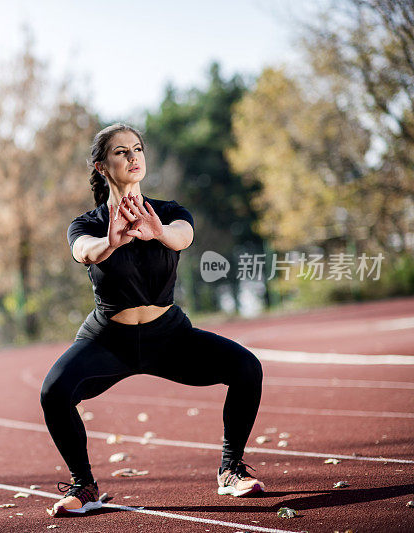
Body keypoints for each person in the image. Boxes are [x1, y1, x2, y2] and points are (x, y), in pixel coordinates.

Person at [40, 123, 264, 517]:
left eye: (137, 149)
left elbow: (183, 237)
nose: (133, 157)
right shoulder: (87, 224)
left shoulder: (170, 213)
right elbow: (85, 252)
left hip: (169, 337)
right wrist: (112, 240)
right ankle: (84, 485)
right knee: (53, 394)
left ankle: (230, 470)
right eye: (121, 152)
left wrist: (156, 231)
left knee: (247, 367)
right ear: (101, 166)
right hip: (108, 340)